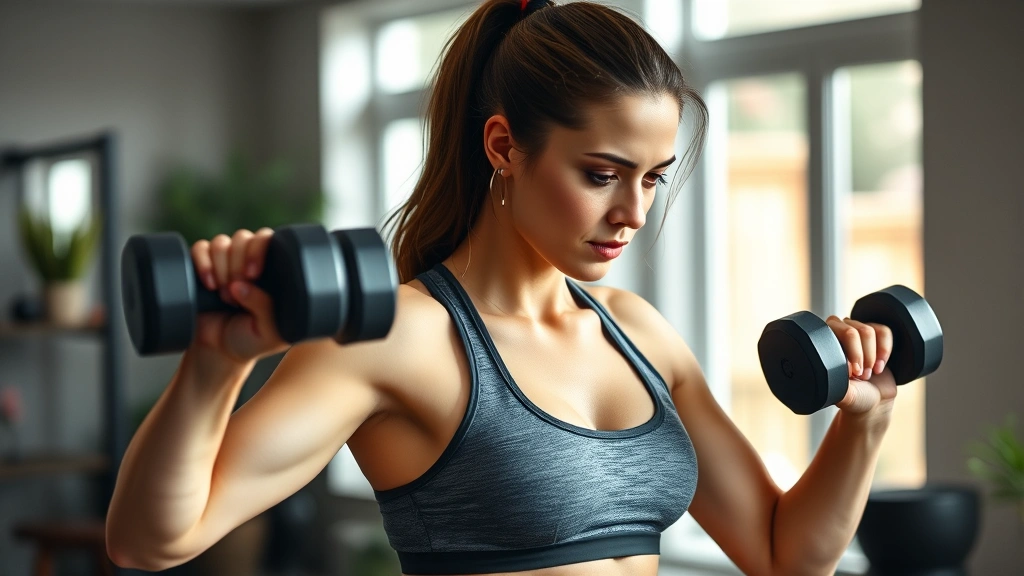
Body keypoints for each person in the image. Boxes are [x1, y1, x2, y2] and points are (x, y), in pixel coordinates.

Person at [105, 1, 898, 575]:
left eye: (653, 180)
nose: (632, 214)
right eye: (601, 175)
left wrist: (866, 417)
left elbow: (784, 554)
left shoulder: (637, 331)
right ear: (504, 145)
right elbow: (150, 542)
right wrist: (217, 363)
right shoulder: (398, 338)